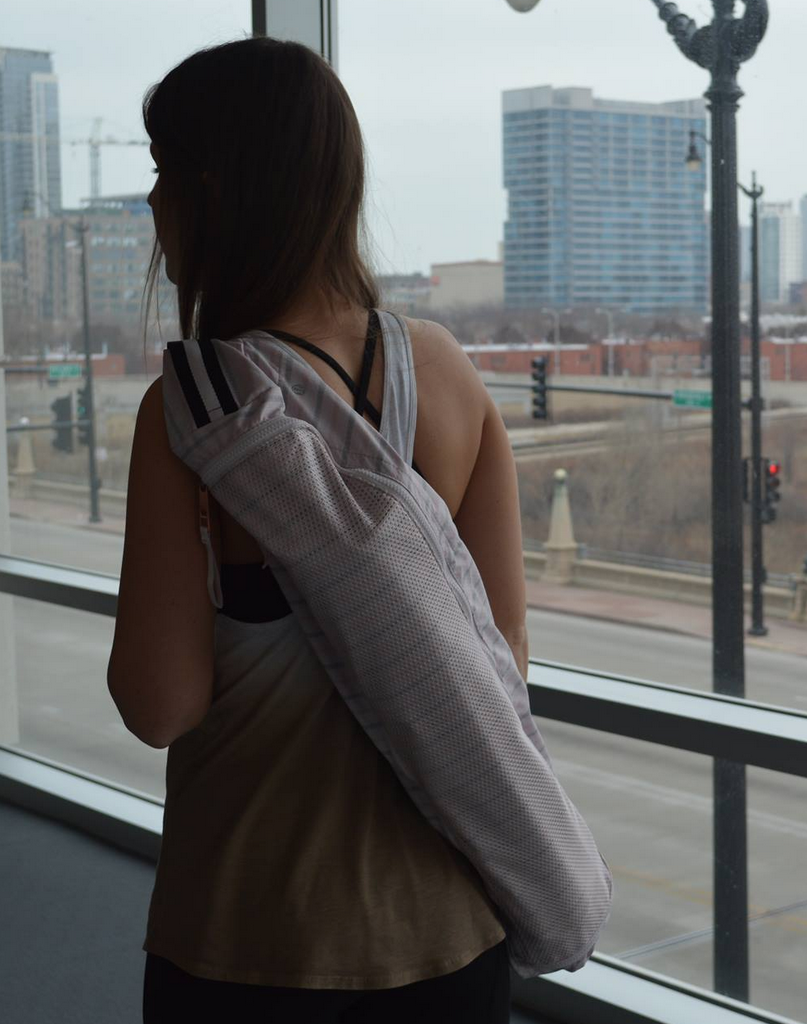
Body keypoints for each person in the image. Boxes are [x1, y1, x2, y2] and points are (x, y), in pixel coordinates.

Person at [109, 36, 530, 1024]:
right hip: (452, 933)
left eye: (163, 172)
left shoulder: (194, 412)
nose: (154, 203)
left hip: (250, 936)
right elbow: (501, 664)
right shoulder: (448, 374)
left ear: (213, 191)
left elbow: (158, 704)